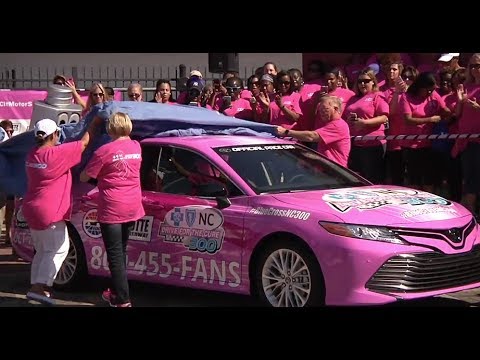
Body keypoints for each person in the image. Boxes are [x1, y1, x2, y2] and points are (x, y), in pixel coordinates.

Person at [22, 116, 102, 305]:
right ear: (54, 135)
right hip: (48, 211)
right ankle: (40, 286)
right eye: (58, 134)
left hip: (32, 208)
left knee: (42, 250)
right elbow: (84, 143)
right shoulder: (55, 155)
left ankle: (36, 286)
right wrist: (95, 123)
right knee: (59, 249)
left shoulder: (32, 155)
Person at [80, 112, 144, 307]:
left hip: (112, 208)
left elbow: (85, 177)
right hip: (132, 206)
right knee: (121, 251)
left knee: (115, 255)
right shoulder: (136, 146)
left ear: (111, 128)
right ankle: (116, 291)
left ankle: (123, 300)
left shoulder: (104, 151)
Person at [0, 120, 14, 246]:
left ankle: (9, 236)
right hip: (2, 182)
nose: (9, 133)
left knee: (11, 209)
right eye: (7, 131)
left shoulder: (15, 143)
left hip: (12, 181)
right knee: (2, 209)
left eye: (11, 131)